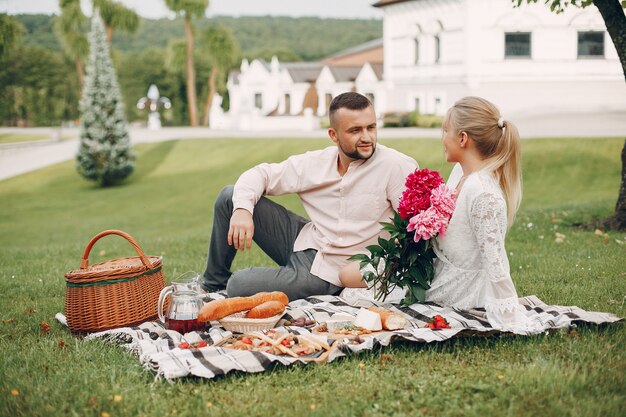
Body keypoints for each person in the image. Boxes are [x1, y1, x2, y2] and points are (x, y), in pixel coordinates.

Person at [339, 96, 542, 332]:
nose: (442, 138)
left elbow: (496, 265)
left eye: (446, 131)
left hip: (458, 291)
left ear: (463, 138)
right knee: (347, 281)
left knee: (352, 295)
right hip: (432, 272)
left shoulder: (483, 193)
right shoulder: (460, 173)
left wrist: (510, 317)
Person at [201, 92, 418, 301]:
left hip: (333, 272)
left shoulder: (396, 166)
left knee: (239, 285)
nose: (367, 137)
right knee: (231, 197)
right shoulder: (316, 163)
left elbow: (415, 234)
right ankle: (212, 285)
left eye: (371, 127)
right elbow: (261, 174)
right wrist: (242, 211)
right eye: (355, 130)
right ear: (334, 135)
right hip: (306, 239)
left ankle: (237, 286)